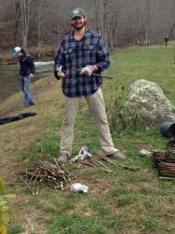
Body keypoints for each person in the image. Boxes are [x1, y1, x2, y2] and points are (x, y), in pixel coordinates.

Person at [53, 8, 126, 164]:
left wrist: (92, 68)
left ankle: (109, 149)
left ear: (85, 19)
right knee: (68, 122)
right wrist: (58, 71)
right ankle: (64, 153)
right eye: (74, 19)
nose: (77, 21)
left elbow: (105, 61)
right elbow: (58, 61)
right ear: (70, 22)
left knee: (101, 118)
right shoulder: (65, 41)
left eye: (80, 18)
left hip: (91, 85)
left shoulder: (95, 38)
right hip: (71, 87)